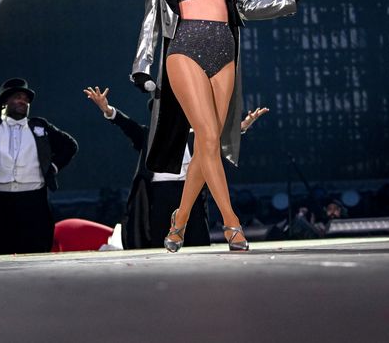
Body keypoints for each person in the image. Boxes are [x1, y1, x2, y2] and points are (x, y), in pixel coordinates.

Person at [131, 0, 314, 252]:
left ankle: (178, 221)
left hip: (224, 52)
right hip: (184, 49)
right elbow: (150, 20)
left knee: (207, 144)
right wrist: (141, 66)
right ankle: (232, 224)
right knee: (208, 136)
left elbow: (245, 8)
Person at [83, 84, 271, 249]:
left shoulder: (193, 135)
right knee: (160, 237)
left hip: (189, 190)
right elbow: (126, 124)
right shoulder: (148, 135)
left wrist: (244, 125)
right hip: (160, 194)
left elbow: (219, 139)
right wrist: (107, 109)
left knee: (197, 237)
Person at [0, 41, 79, 256]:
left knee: (33, 254)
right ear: (4, 102)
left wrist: (53, 168)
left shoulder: (39, 126)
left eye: (25, 98)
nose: (22, 100)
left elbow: (70, 146)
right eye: (17, 97)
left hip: (32, 202)